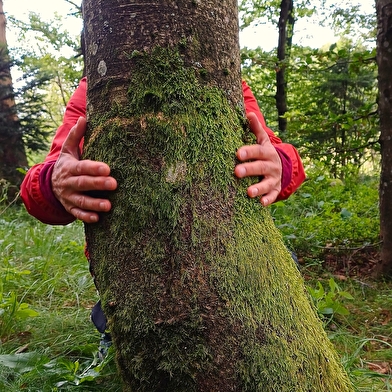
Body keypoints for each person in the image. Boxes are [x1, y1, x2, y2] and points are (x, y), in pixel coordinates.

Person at [20, 77, 305, 355]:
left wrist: (279, 164)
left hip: (230, 256)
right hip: (132, 269)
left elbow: (272, 149)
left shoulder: (225, 78)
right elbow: (45, 177)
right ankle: (113, 332)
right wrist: (53, 182)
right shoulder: (96, 84)